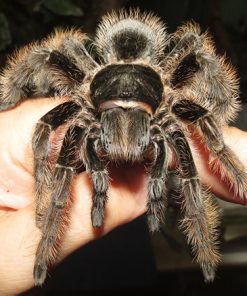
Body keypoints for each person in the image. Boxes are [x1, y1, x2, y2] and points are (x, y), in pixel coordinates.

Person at [0, 97, 246, 295]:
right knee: (63, 164)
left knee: (190, 168)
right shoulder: (82, 112)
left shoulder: (168, 108)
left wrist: (232, 167)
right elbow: (44, 127)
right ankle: (42, 253)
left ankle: (205, 250)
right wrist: (43, 186)